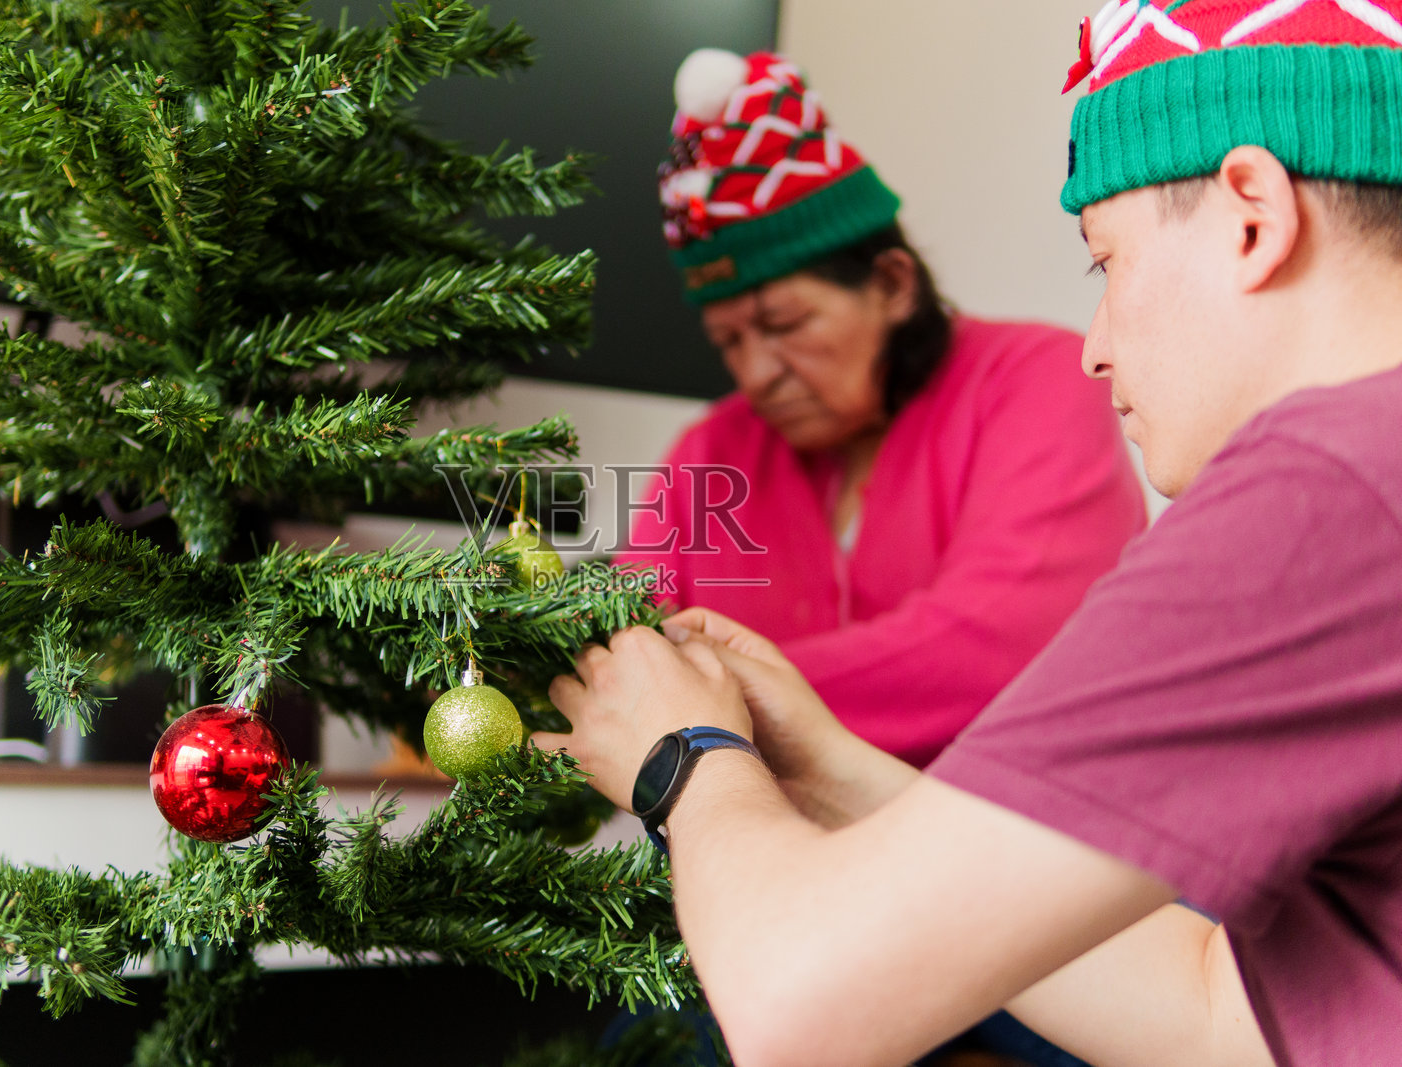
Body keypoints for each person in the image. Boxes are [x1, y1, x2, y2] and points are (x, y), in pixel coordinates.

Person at [540, 2, 1402, 1064]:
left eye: (1104, 262)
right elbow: (1211, 1010)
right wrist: (827, 760)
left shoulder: (1324, 488)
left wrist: (689, 753)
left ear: (1249, 215)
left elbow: (800, 1003)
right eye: (730, 339)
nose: (1095, 348)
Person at [617, 49, 1146, 769]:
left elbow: (999, 644)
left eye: (785, 325)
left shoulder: (1035, 380)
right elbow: (620, 642)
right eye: (729, 341)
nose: (757, 372)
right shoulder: (707, 452)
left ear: (893, 284)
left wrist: (699, 705)